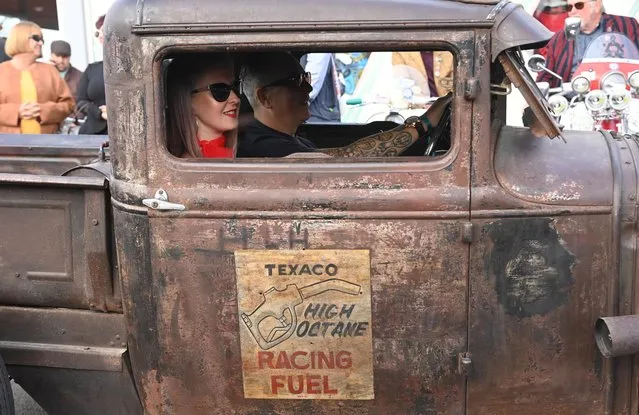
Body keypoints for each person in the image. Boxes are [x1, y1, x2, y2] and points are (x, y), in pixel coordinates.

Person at [238, 51, 451, 158]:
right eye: (296, 82)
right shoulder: (266, 146)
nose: (308, 89)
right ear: (265, 97)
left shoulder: (285, 139)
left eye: (307, 79)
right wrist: (422, 124)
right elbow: (346, 158)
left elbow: (337, 153)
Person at [537, 0, 639, 87]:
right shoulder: (559, 38)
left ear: (597, 5)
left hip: (617, 94)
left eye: (579, 5)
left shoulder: (626, 25)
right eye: (569, 7)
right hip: (574, 100)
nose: (573, 11)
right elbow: (546, 75)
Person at [0, 21, 74, 134]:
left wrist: (43, 110)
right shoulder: (2, 71)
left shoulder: (50, 71)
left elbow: (69, 105)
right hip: (8, 147)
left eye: (42, 39)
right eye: (36, 38)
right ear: (19, 38)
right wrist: (16, 112)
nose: (41, 43)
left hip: (47, 146)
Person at [166, 53, 239, 158]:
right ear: (189, 101)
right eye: (220, 90)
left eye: (235, 87)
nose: (235, 99)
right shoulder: (197, 167)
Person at [77, 15, 107, 135]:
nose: (100, 36)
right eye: (97, 33)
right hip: (92, 133)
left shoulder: (135, 67)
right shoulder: (92, 69)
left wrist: (115, 111)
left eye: (104, 30)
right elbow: (81, 101)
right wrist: (99, 113)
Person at [301, 53, 341, 123]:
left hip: (317, 114)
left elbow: (313, 77)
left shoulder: (318, 52)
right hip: (321, 112)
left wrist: (299, 101)